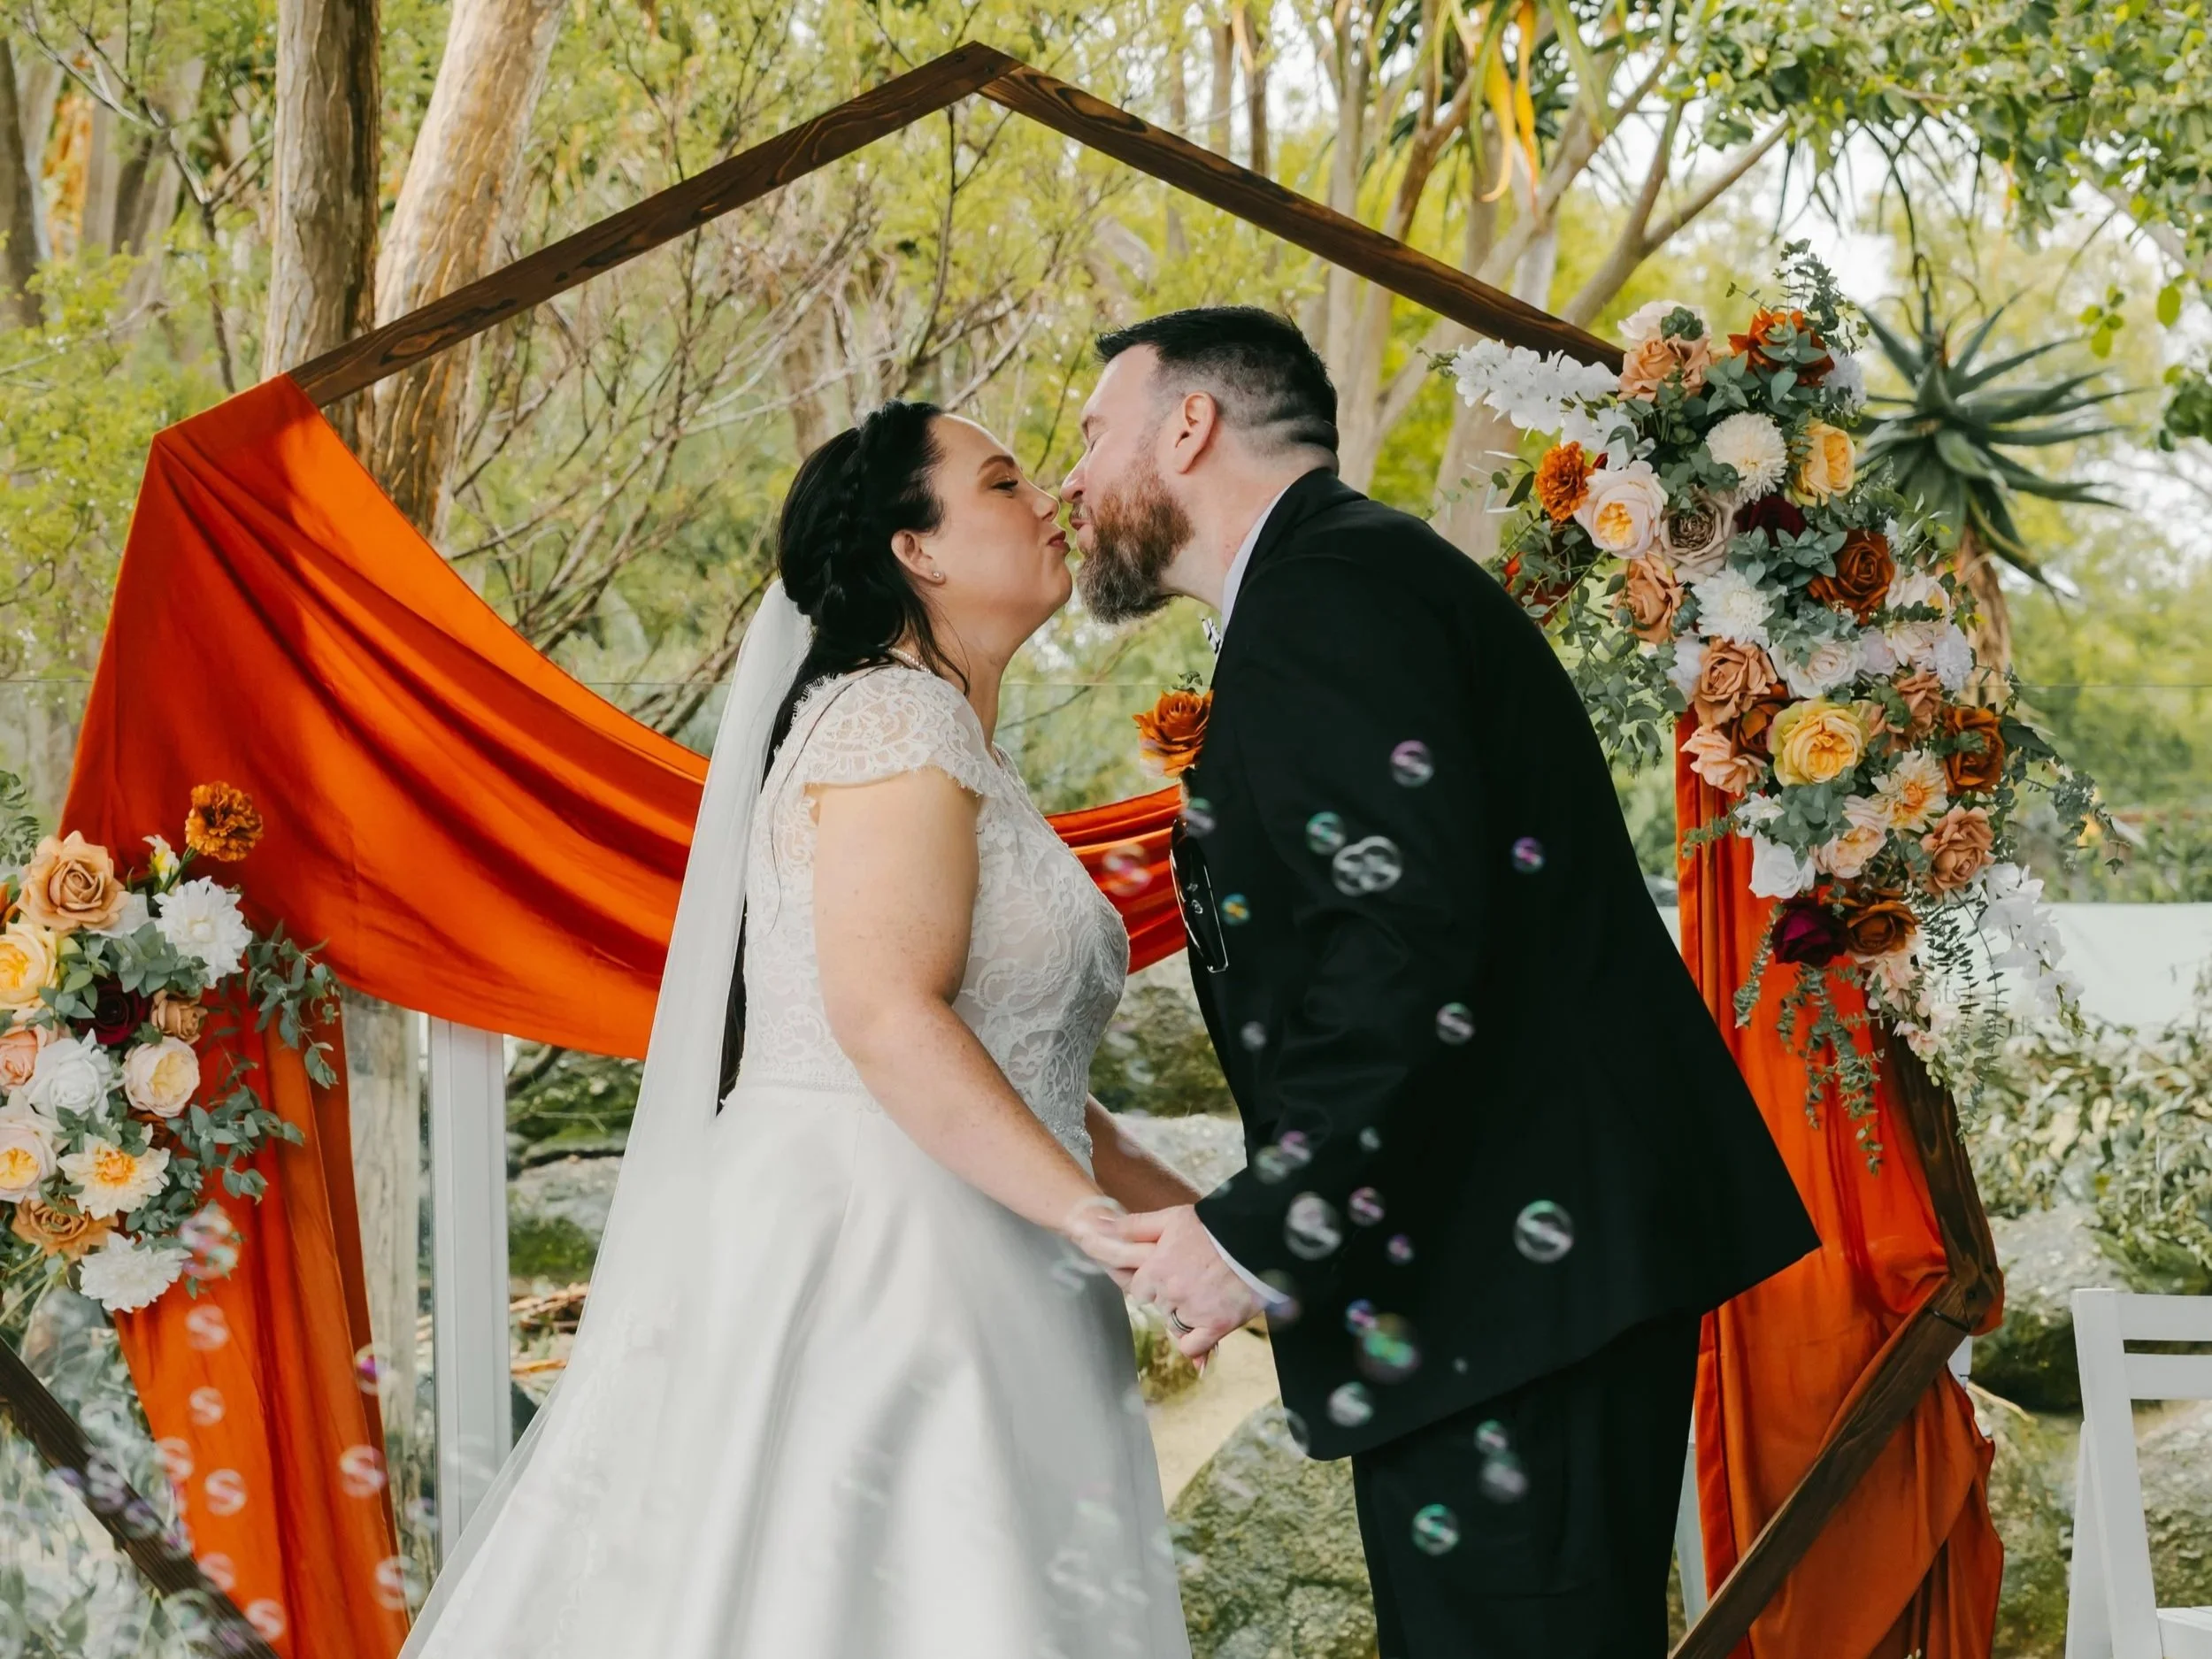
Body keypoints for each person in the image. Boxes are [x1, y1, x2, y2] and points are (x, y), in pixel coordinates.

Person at [1061, 306, 1820, 1659]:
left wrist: (1258, 1231)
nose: (1072, 478)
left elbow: (1406, 951)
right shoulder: (1342, 582)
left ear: (1191, 426)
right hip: (1506, 1272)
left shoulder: (1329, 598)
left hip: (1518, 1281)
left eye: (1091, 433)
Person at [397, 402, 1198, 1658]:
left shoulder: (950, 740)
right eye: (1001, 481)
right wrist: (1094, 1224)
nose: (1048, 498)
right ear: (915, 550)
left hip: (991, 1248)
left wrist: (1194, 1226)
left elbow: (1026, 1072)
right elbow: (883, 1015)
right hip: (890, 1266)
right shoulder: (897, 722)